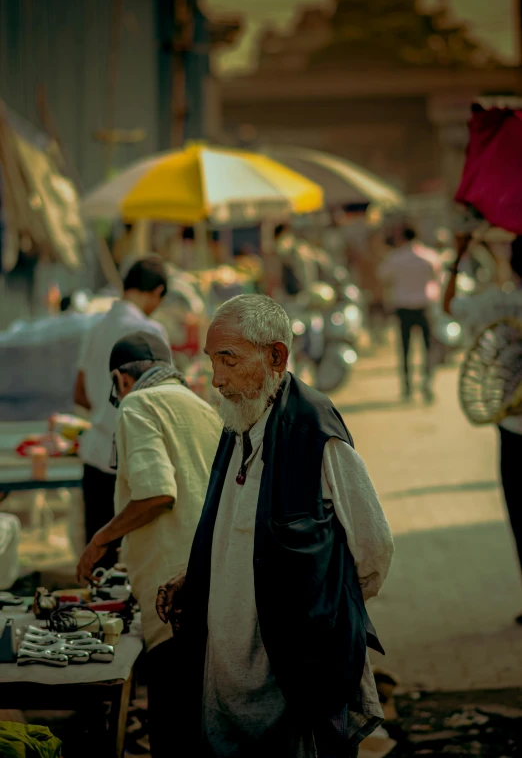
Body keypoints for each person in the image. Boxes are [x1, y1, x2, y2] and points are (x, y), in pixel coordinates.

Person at [156, 294, 394, 757]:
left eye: (228, 360)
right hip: (228, 653)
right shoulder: (241, 420)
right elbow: (234, 529)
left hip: (291, 662)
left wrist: (323, 608)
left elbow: (372, 547)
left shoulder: (314, 431)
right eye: (212, 361)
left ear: (276, 356)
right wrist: (198, 577)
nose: (217, 379)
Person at [77, 330, 222, 756]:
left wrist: (99, 541)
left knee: (175, 734)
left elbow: (158, 493)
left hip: (173, 598)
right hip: (213, 583)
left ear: (121, 380)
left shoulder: (138, 404)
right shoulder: (200, 406)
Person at [444, 233, 522, 625]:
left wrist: (458, 257)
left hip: (511, 422)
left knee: (519, 512)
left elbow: (448, 304)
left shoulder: (496, 302)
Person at [74, 255, 169, 570]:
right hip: (132, 461)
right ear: (155, 292)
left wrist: (105, 405)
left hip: (95, 454)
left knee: (98, 563)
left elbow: (80, 392)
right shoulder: (150, 332)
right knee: (132, 564)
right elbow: (164, 399)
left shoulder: (97, 326)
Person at [378, 227, 441, 401]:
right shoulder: (429, 256)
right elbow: (438, 278)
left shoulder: (395, 258)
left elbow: (383, 276)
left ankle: (407, 387)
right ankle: (427, 383)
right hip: (424, 306)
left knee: (405, 349)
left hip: (403, 307)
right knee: (428, 348)